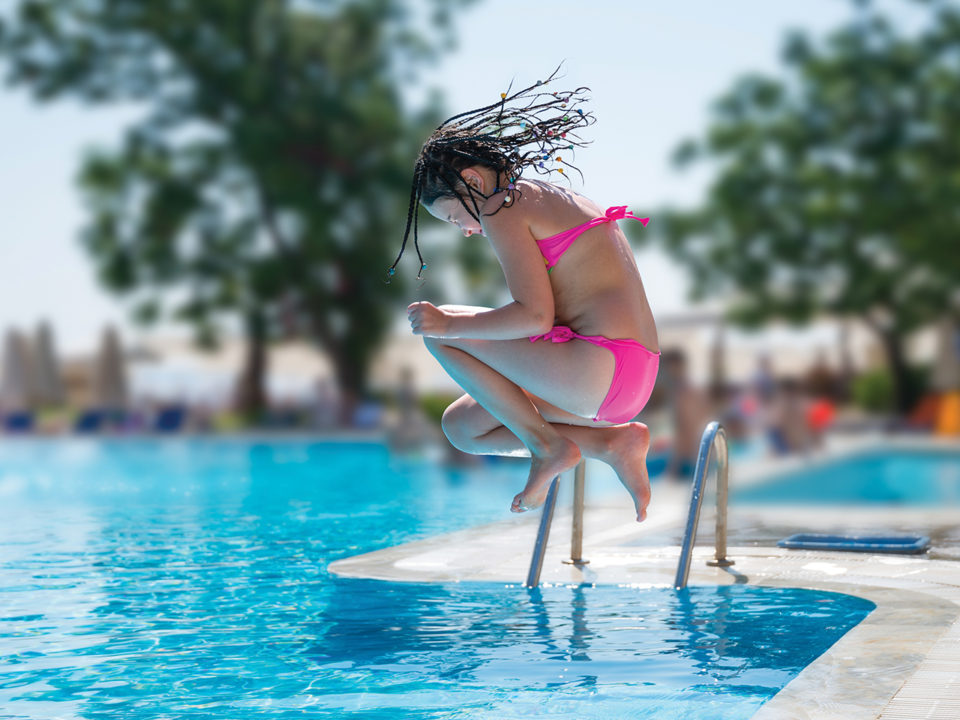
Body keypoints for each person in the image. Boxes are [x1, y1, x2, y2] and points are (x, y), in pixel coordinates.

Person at [392, 69, 660, 521]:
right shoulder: (550, 197)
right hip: (629, 375)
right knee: (462, 428)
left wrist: (448, 325)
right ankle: (614, 443)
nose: (467, 231)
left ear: (473, 183)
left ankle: (547, 446)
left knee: (437, 330)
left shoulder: (502, 205)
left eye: (457, 218)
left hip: (601, 367)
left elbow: (535, 317)